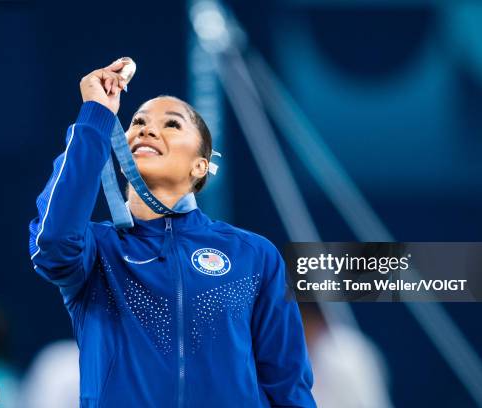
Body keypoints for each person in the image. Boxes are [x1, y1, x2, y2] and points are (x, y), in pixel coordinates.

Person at [28, 58, 315, 407]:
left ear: (200, 165)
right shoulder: (99, 250)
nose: (147, 130)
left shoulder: (253, 254)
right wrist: (95, 116)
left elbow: (286, 381)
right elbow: (52, 242)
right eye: (137, 122)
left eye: (172, 124)